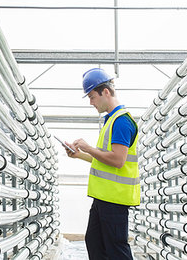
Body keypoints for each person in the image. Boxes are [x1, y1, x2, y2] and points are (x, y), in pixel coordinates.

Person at [63, 68, 140, 260]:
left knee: (116, 249)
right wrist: (78, 155)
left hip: (114, 199)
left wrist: (88, 148)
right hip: (103, 198)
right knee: (95, 243)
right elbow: (104, 159)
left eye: (92, 97)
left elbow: (118, 160)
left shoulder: (121, 122)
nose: (90, 102)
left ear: (106, 92)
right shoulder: (110, 121)